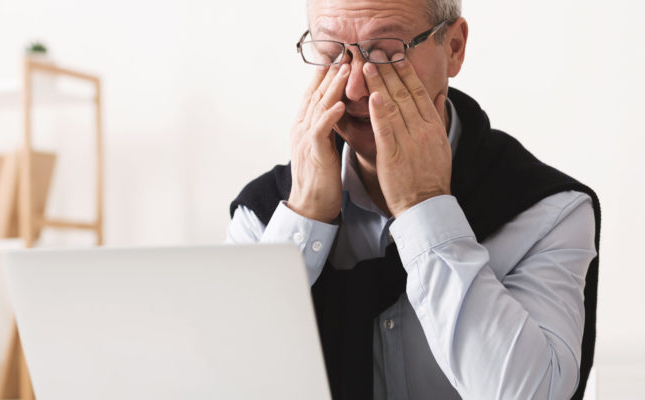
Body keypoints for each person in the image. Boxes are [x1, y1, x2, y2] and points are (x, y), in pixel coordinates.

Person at [226, 0, 600, 399]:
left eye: (387, 52)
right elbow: (224, 381)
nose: (354, 88)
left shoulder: (549, 211)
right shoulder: (264, 215)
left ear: (454, 47)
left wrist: (425, 207)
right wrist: (303, 218)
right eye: (333, 53)